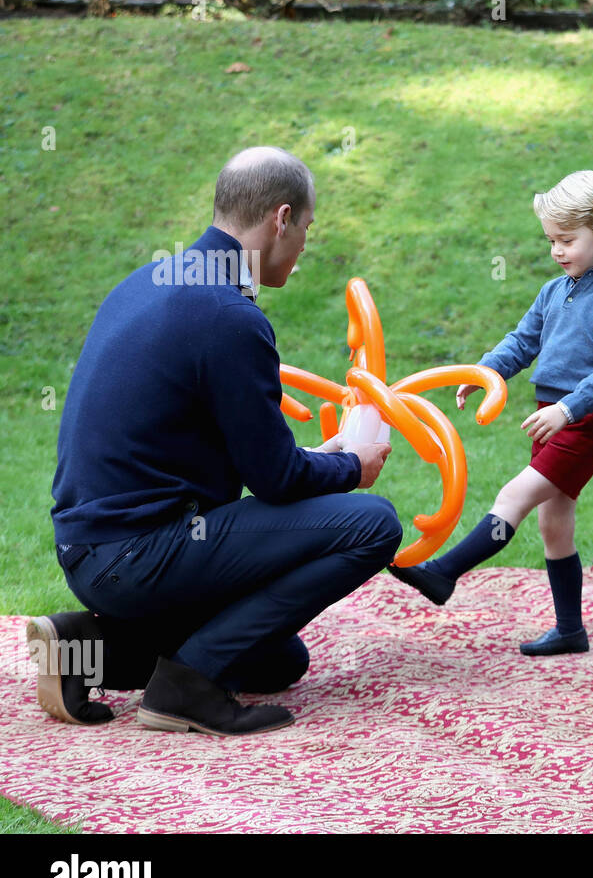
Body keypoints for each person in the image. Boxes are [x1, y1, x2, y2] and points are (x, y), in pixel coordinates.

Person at [37, 146, 401, 736]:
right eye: (307, 227)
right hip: (139, 554)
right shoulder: (229, 316)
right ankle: (187, 686)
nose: (306, 244)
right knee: (374, 525)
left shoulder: (151, 280)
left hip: (91, 546)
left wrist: (318, 458)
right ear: (280, 219)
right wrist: (350, 469)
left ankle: (85, 647)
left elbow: (237, 451)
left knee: (280, 659)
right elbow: (277, 482)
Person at [388, 170, 593, 656]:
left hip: (584, 424)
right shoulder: (555, 289)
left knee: (514, 496)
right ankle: (570, 630)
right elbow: (523, 342)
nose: (557, 251)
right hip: (551, 417)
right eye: (551, 240)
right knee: (554, 526)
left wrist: (568, 409)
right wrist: (483, 373)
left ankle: (444, 573)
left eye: (567, 240)